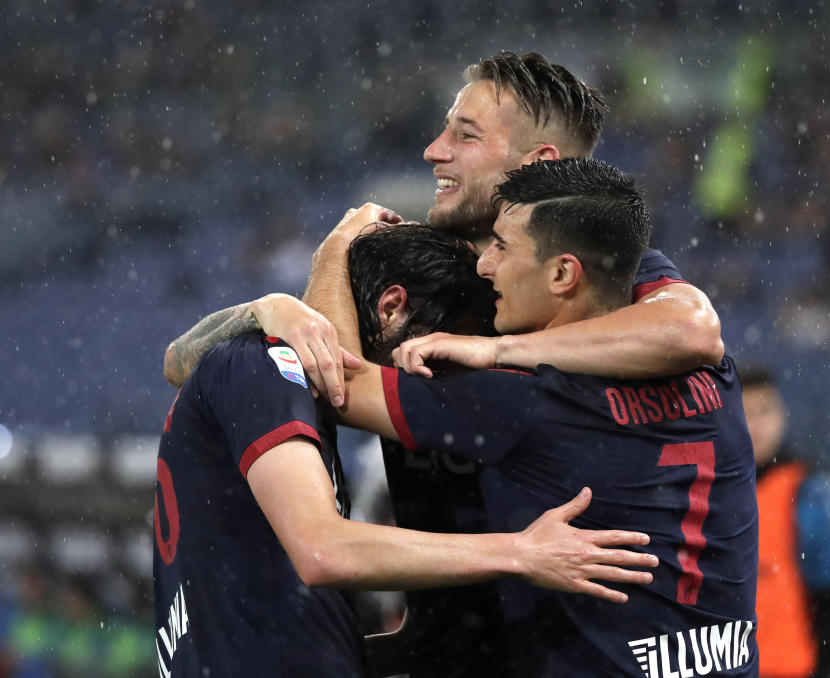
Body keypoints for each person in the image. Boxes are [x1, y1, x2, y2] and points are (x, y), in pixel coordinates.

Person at [160, 51, 725, 676]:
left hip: (567, 644)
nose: (434, 150)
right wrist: (271, 308)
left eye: (465, 134)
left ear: (539, 166)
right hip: (461, 646)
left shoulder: (587, 272)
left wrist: (496, 348)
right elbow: (201, 368)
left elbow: (695, 329)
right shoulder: (419, 272)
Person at [152, 221, 658, 677]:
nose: (440, 379)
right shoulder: (263, 366)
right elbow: (323, 550)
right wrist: (522, 551)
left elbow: (180, 360)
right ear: (392, 307)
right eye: (440, 349)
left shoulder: (269, 383)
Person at [321, 159, 759, 676]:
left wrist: (334, 252)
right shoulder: (716, 376)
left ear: (562, 273)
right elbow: (685, 325)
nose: (485, 266)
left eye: (502, 246)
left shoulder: (523, 400)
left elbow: (340, 385)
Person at [739, 367, 830, 678]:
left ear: (782, 415)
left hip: (792, 665)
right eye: (745, 412)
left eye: (764, 410)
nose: (756, 423)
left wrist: (825, 662)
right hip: (726, 666)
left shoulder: (809, 491)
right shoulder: (712, 490)